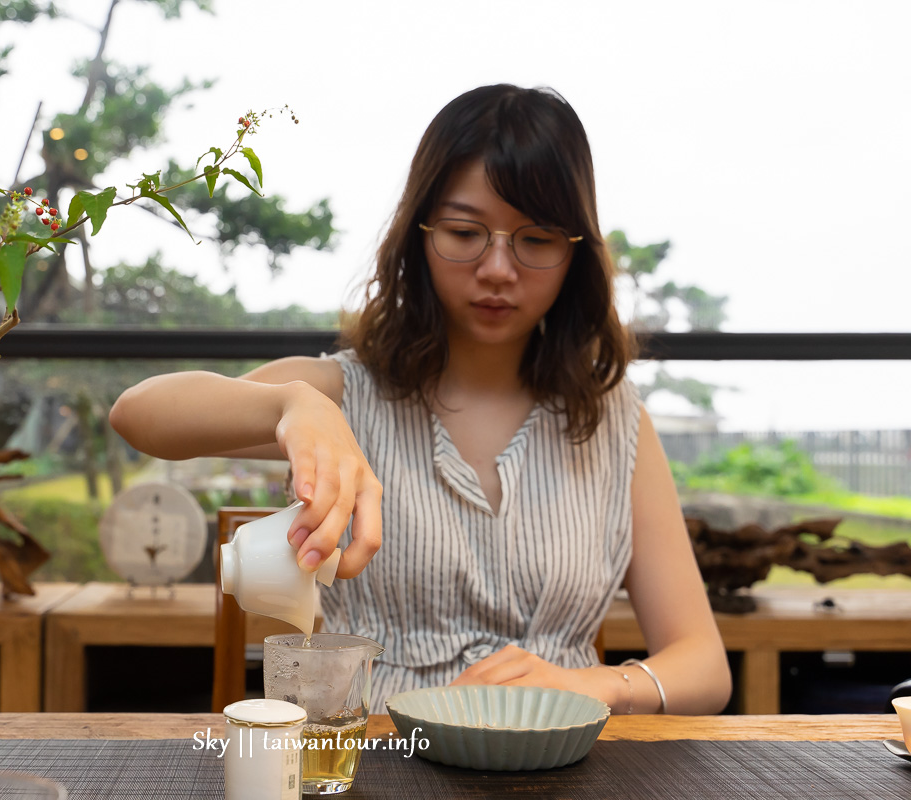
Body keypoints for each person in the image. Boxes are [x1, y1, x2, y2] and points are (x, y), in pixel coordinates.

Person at [110, 84, 732, 715]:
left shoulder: (613, 418)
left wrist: (597, 683)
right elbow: (139, 414)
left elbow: (704, 666)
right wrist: (291, 405)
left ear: (576, 253)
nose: (497, 269)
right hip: (380, 758)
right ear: (419, 233)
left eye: (537, 240)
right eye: (465, 233)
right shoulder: (346, 392)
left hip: (562, 761)